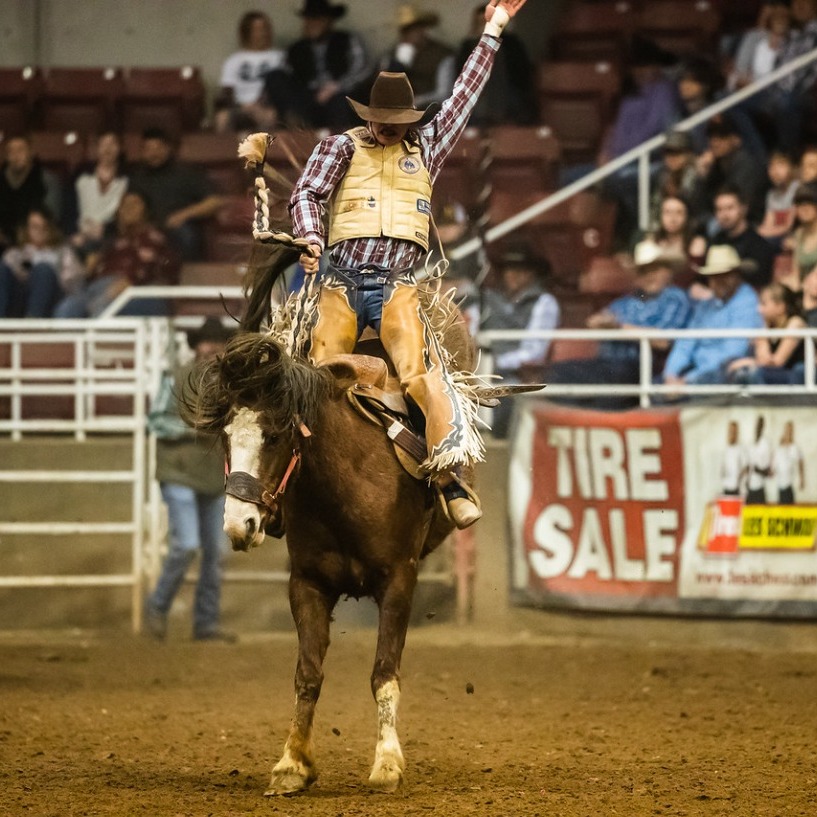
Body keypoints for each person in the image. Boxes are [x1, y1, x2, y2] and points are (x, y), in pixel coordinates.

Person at [289, 0, 530, 528]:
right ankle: (283, 487)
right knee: (313, 375)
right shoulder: (338, 148)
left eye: (398, 122)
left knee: (422, 375)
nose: (388, 130)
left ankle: (449, 479)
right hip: (338, 282)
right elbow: (307, 194)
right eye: (381, 122)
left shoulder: (428, 145)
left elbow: (466, 91)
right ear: (367, 117)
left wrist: (494, 27)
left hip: (398, 285)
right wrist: (310, 236)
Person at [144, 317, 236, 643]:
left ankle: (205, 624)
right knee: (188, 545)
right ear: (197, 346)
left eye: (217, 342)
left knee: (215, 553)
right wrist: (192, 427)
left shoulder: (232, 386)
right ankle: (157, 607)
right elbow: (155, 422)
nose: (211, 347)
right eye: (207, 341)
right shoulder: (177, 379)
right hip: (179, 471)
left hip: (210, 476)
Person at [545, 239, 691, 410]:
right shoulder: (627, 301)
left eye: (655, 269)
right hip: (607, 364)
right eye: (643, 271)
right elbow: (594, 321)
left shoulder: (675, 298)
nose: (650, 276)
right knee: (558, 372)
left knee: (610, 384)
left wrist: (619, 328)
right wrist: (601, 322)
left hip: (641, 367)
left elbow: (664, 341)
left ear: (668, 271)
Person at [54, 191, 180, 318]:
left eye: (135, 204)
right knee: (68, 307)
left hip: (140, 292)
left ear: (147, 211)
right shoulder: (110, 243)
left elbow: (162, 271)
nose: (128, 208)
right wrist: (89, 269)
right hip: (97, 289)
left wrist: (129, 283)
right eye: (124, 204)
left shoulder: (156, 238)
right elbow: (88, 279)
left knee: (102, 306)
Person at [660, 244, 764, 389]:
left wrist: (687, 381)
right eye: (714, 276)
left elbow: (733, 353)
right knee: (656, 383)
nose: (717, 282)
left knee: (734, 371)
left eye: (724, 275)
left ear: (736, 275)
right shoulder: (706, 305)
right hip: (697, 374)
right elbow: (685, 343)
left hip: (724, 375)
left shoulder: (747, 302)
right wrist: (670, 375)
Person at [480, 244, 559, 433]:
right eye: (509, 269)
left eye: (521, 270)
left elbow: (534, 352)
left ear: (532, 273)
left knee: (503, 396)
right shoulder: (489, 299)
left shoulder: (544, 302)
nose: (513, 275)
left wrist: (493, 363)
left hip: (515, 374)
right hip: (483, 371)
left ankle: (495, 443)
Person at [264, 0, 370, 131]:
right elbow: (286, 77)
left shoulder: (347, 40)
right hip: (307, 98)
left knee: (342, 102)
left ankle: (341, 142)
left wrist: (336, 87)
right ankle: (296, 124)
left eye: (317, 19)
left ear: (329, 21)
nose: (312, 24)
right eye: (308, 19)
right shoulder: (296, 49)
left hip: (338, 95)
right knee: (274, 77)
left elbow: (362, 69)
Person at [126, 127, 222, 262]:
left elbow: (214, 201)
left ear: (167, 148)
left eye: (158, 148)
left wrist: (182, 215)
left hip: (179, 226)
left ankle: (188, 279)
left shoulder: (186, 173)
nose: (153, 154)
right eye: (148, 149)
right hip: (147, 228)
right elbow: (130, 206)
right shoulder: (138, 177)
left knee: (187, 235)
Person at [455, 2, 536, 125]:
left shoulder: (512, 44)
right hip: (476, 100)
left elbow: (523, 75)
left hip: (509, 97)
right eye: (481, 22)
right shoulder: (467, 46)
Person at [0, 208, 84, 318]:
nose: (39, 231)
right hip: (19, 301)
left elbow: (74, 286)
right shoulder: (15, 254)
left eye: (44, 227)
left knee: (43, 270)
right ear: (27, 229)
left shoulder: (63, 252)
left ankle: (32, 322)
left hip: (51, 300)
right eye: (35, 227)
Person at [214, 10, 284, 134]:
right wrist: (242, 107)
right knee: (222, 117)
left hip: (265, 106)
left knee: (271, 116)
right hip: (239, 107)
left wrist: (258, 106)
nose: (263, 33)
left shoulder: (279, 57)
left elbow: (282, 88)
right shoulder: (234, 60)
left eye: (265, 29)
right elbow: (227, 90)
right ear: (246, 32)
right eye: (258, 29)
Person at [694, 116, 768, 227]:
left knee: (713, 225)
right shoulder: (714, 164)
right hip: (722, 216)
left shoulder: (746, 164)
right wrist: (702, 175)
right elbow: (699, 205)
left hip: (750, 221)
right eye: (711, 136)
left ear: (736, 140)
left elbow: (738, 203)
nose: (715, 142)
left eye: (722, 136)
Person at [726, 281, 806, 384]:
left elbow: (777, 362)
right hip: (773, 374)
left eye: (764, 304)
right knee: (739, 372)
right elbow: (763, 358)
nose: (759, 309)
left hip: (794, 376)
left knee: (754, 373)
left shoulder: (796, 323)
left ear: (780, 307)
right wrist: (763, 330)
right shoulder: (767, 326)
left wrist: (747, 362)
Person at [68, 131, 128, 262]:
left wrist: (105, 229)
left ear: (120, 148)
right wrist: (74, 233)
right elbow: (68, 207)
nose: (107, 149)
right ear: (96, 148)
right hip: (80, 233)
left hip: (111, 235)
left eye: (112, 144)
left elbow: (128, 214)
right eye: (103, 144)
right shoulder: (81, 173)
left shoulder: (127, 178)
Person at [380, 5, 456, 108]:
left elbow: (443, 93)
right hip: (397, 110)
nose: (411, 34)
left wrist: (417, 101)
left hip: (429, 110)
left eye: (415, 29)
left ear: (424, 30)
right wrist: (398, 63)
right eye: (406, 31)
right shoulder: (393, 53)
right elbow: (382, 86)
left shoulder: (442, 54)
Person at [0, 135, 63, 251]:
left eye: (20, 150)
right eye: (11, 151)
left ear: (30, 153)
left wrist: (27, 235)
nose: (15, 155)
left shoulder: (46, 180)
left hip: (35, 243)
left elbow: (52, 216)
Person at [707, 185, 776, 290]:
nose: (724, 215)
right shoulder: (715, 240)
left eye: (729, 208)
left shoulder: (759, 245)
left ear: (744, 209)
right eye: (719, 209)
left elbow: (760, 284)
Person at [756, 150, 798, 250]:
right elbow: (768, 223)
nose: (775, 171)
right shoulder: (771, 194)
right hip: (775, 236)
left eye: (781, 165)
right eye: (771, 166)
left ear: (791, 168)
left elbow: (788, 226)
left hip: (792, 236)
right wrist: (759, 233)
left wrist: (764, 233)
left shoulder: (797, 189)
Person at [785, 182, 817, 280]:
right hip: (804, 288)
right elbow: (796, 273)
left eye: (809, 203)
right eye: (799, 204)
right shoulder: (799, 233)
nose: (803, 208)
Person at [773, 420, 804, 504]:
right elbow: (774, 465)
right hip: (780, 485)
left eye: (790, 430)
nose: (788, 432)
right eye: (787, 430)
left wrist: (801, 479)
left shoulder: (795, 448)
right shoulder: (779, 448)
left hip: (789, 485)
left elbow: (801, 462)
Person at [746, 415, 772, 504]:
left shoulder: (766, 444)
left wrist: (758, 470)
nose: (758, 427)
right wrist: (747, 479)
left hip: (759, 488)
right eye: (757, 424)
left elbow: (768, 472)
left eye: (760, 424)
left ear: (763, 426)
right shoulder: (751, 443)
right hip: (750, 488)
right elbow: (749, 465)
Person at [720, 420, 748, 497]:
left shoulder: (741, 449)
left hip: (737, 490)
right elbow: (722, 469)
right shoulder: (725, 449)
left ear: (737, 433)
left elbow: (746, 469)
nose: (732, 434)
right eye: (730, 431)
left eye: (734, 431)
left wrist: (741, 485)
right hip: (726, 489)